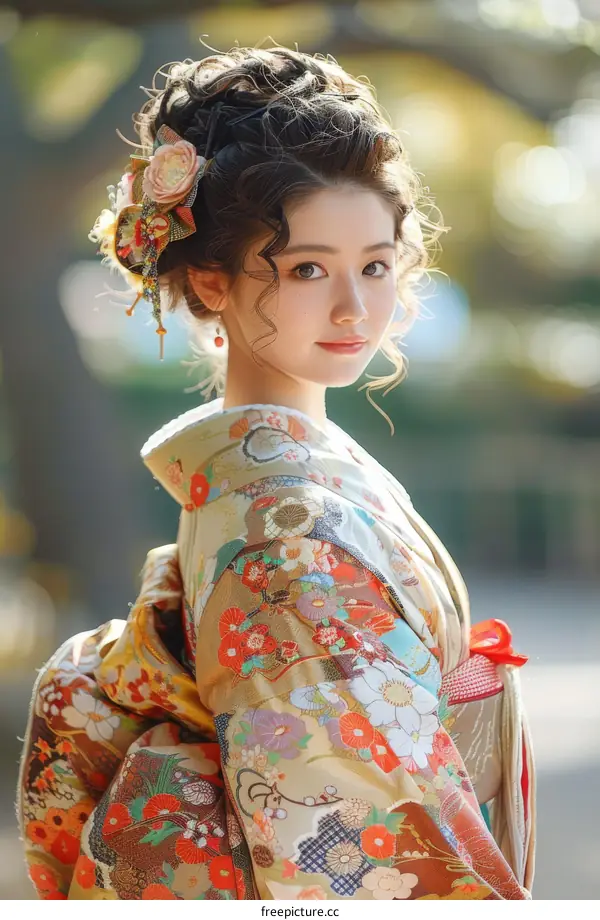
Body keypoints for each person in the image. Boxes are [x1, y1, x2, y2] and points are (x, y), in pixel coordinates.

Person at [16, 45, 535, 900]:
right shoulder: (285, 531)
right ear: (210, 279)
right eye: (306, 269)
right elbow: (350, 850)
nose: (354, 308)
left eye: (373, 263)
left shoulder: (283, 483)